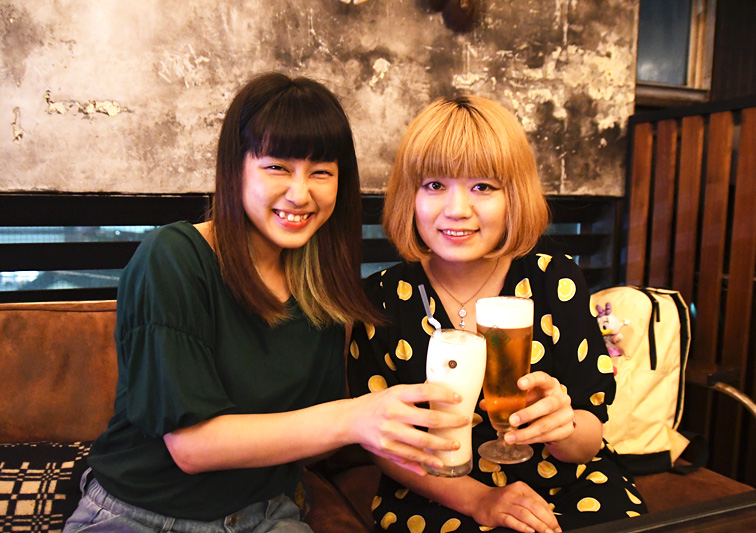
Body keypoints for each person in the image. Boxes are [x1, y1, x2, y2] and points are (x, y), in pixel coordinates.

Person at [64, 73, 469, 532]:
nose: (300, 194)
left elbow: (318, 438)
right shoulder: (173, 258)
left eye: (321, 172)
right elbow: (193, 448)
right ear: (235, 168)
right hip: (142, 514)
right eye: (277, 167)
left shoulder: (324, 290)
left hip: (267, 516)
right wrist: (353, 418)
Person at [348, 95, 648, 533]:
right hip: (439, 491)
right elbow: (383, 445)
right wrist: (480, 500)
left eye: (483, 187)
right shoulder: (380, 298)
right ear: (409, 195)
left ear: (514, 196)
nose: (457, 210)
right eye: (434, 185)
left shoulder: (555, 279)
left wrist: (562, 426)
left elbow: (589, 435)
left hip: (568, 486)